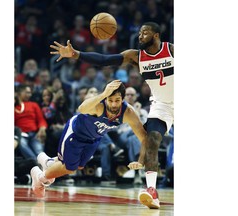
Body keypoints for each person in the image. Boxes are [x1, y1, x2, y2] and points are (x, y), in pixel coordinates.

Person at [49, 21, 173, 209]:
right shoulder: (136, 56)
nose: (140, 36)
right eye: (139, 33)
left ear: (156, 35)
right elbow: (104, 60)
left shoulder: (171, 50)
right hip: (162, 105)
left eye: (145, 33)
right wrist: (76, 54)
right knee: (152, 139)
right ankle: (152, 191)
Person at [30, 80, 147, 198]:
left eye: (117, 100)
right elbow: (81, 108)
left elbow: (144, 137)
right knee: (70, 168)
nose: (113, 104)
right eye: (110, 100)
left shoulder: (128, 112)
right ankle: (39, 176)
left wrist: (141, 160)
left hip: (94, 138)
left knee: (80, 165)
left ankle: (48, 162)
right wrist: (103, 94)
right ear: (106, 98)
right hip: (76, 134)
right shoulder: (99, 106)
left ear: (123, 99)